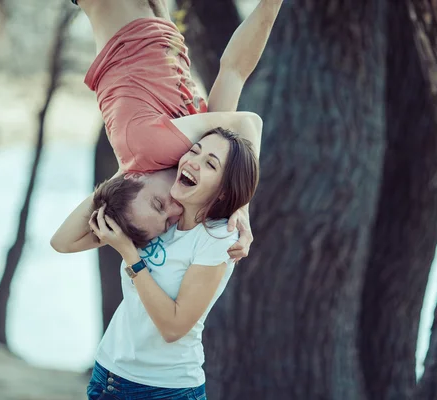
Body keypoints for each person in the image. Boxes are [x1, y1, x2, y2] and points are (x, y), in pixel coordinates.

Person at [51, 0, 283, 260]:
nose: (174, 209)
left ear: (133, 178)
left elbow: (63, 242)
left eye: (158, 204)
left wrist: (241, 207)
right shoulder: (193, 153)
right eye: (168, 223)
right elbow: (234, 71)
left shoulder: (149, 149)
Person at [86, 126, 259, 400]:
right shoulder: (161, 214)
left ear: (225, 191)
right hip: (106, 374)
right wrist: (127, 172)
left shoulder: (217, 238)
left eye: (210, 164)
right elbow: (62, 242)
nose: (193, 162)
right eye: (194, 151)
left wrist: (130, 255)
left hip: (164, 389)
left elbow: (173, 327)